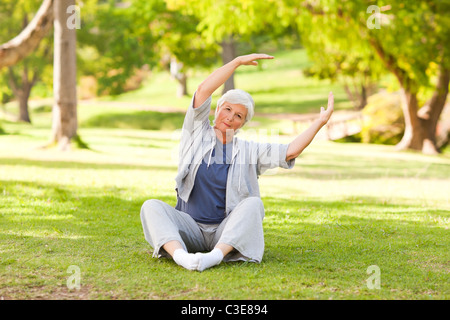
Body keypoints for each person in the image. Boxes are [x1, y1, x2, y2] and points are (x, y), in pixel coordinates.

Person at [140, 53, 334, 271]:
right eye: (228, 109)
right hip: (190, 228)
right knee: (151, 206)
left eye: (239, 116)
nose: (231, 117)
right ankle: (181, 257)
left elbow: (290, 151)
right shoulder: (195, 133)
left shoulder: (249, 150)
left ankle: (214, 257)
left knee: (254, 204)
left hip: (224, 233)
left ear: (243, 123)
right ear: (217, 109)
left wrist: (319, 122)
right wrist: (236, 62)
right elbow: (203, 90)